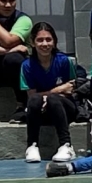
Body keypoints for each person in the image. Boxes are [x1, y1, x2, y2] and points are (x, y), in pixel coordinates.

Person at [19, 22, 78, 164]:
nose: (45, 44)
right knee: (35, 101)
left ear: (54, 42)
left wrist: (49, 96)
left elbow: (70, 89)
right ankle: (32, 145)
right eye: (40, 40)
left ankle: (66, 145)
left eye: (48, 39)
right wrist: (56, 91)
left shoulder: (64, 61)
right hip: (41, 110)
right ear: (33, 43)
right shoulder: (27, 66)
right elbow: (32, 96)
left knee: (53, 99)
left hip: (64, 109)